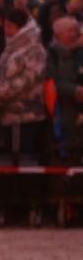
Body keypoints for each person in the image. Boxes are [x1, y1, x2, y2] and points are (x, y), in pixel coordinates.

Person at [0, 7, 49, 225]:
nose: (6, 30)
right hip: (8, 114)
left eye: (10, 26)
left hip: (28, 115)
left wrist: (3, 92)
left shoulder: (34, 49)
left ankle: (32, 205)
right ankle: (9, 205)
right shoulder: (10, 48)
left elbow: (30, 77)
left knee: (28, 159)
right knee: (9, 161)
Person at [47, 16, 82, 163]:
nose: (74, 34)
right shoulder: (51, 54)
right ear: (58, 34)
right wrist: (75, 90)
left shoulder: (80, 53)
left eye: (76, 31)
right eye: (69, 31)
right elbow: (52, 82)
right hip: (60, 112)